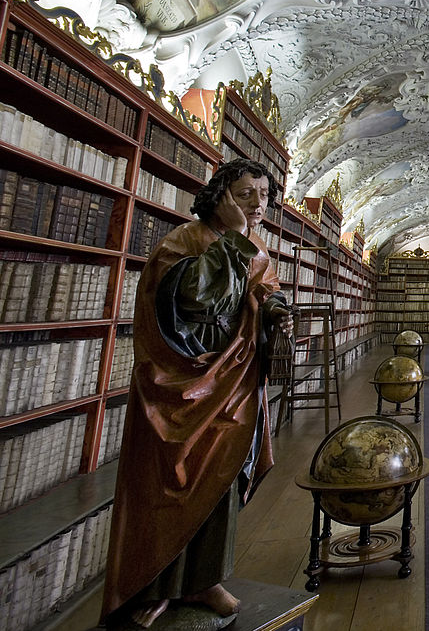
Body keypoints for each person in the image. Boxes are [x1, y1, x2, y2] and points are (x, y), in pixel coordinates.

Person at [100, 158, 294, 629]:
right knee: (165, 482)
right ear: (221, 195)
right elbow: (194, 298)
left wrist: (274, 310)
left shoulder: (257, 247)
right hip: (180, 376)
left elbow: (262, 288)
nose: (257, 204)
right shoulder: (181, 240)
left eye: (263, 196)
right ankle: (150, 586)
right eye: (246, 194)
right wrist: (230, 236)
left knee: (220, 477)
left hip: (233, 377)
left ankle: (205, 579)